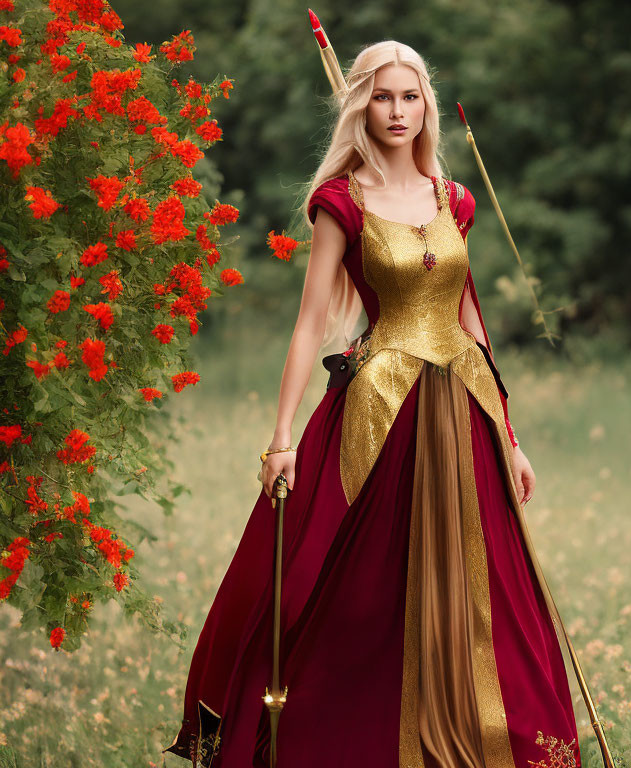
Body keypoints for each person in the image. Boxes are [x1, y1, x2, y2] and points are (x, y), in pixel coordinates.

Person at [163, 40, 582, 768]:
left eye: (410, 96)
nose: (398, 111)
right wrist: (283, 437)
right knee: (356, 589)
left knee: (479, 591)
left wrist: (509, 435)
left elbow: (470, 319)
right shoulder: (340, 203)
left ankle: (482, 737)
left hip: (464, 413)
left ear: (426, 106)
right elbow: (309, 323)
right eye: (383, 96)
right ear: (362, 104)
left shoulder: (455, 199)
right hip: (383, 413)